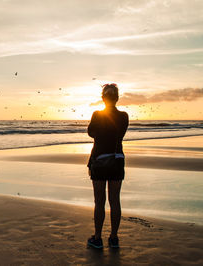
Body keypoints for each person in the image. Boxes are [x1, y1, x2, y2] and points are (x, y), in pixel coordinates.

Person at [86, 83, 129, 249]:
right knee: (115, 201)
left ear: (103, 98)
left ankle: (97, 238)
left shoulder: (97, 114)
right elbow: (120, 134)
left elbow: (91, 133)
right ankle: (114, 238)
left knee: (100, 202)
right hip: (117, 159)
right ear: (117, 98)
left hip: (99, 160)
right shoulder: (124, 116)